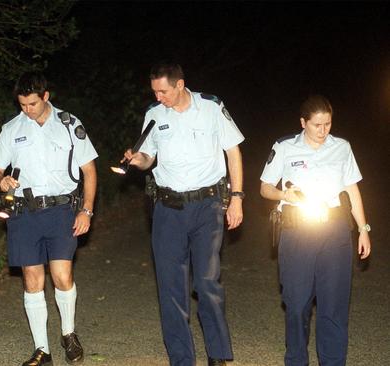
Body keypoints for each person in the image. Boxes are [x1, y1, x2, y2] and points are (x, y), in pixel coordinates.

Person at [123, 61, 244, 366]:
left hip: (207, 205)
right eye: (154, 91)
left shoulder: (211, 107)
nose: (158, 96)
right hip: (168, 208)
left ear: (179, 85)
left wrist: (238, 198)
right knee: (170, 287)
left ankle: (217, 354)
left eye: (162, 90)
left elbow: (233, 152)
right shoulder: (153, 114)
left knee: (206, 282)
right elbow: (149, 157)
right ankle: (182, 359)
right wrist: (138, 160)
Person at [0, 71, 97, 366]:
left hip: (62, 210)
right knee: (32, 280)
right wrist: (1, 182)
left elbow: (89, 170)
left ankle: (68, 333)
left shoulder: (69, 124)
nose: (27, 110)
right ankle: (42, 350)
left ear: (46, 96)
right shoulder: (11, 129)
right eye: (22, 105)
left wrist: (86, 210)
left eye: (32, 104)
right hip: (23, 213)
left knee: (62, 276)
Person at [260, 95, 371, 365]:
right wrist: (287, 196)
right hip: (298, 230)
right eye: (317, 125)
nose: (323, 131)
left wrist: (363, 228)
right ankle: (296, 360)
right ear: (303, 123)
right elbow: (264, 188)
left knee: (333, 307)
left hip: (335, 230)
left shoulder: (342, 147)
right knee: (297, 304)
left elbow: (351, 188)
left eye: (328, 124)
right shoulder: (285, 147)